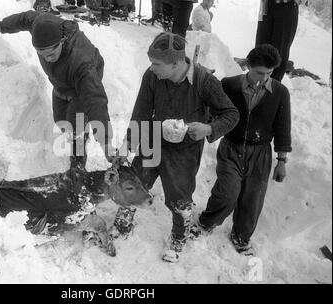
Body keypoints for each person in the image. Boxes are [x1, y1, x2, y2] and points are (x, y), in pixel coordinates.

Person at [116, 32, 239, 263]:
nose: (152, 67)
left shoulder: (204, 82)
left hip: (185, 151)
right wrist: (128, 144)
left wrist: (208, 129)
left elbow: (231, 114)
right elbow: (141, 112)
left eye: (156, 63)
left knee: (179, 198)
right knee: (134, 183)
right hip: (152, 140)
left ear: (175, 63)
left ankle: (179, 236)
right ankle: (123, 223)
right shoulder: (152, 77)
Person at [0, 11, 115, 173]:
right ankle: (78, 134)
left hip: (80, 84)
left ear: (61, 42)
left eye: (51, 54)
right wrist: (1, 25)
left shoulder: (82, 65)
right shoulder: (41, 24)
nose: (48, 59)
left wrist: (105, 141)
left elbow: (95, 101)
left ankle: (77, 169)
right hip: (60, 83)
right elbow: (25, 18)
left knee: (75, 125)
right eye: (42, 55)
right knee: (61, 121)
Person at [198, 44, 292, 256]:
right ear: (248, 66)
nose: (265, 77)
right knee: (227, 191)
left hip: (260, 154)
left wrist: (282, 161)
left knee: (253, 198)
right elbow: (213, 113)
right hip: (231, 147)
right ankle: (207, 221)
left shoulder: (280, 93)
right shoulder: (229, 85)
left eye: (269, 73)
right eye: (260, 72)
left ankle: (241, 235)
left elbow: (283, 128)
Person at [255, 0, 308, 81]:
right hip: (266, 4)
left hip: (287, 5)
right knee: (260, 49)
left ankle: (272, 87)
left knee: (279, 51)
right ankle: (254, 85)